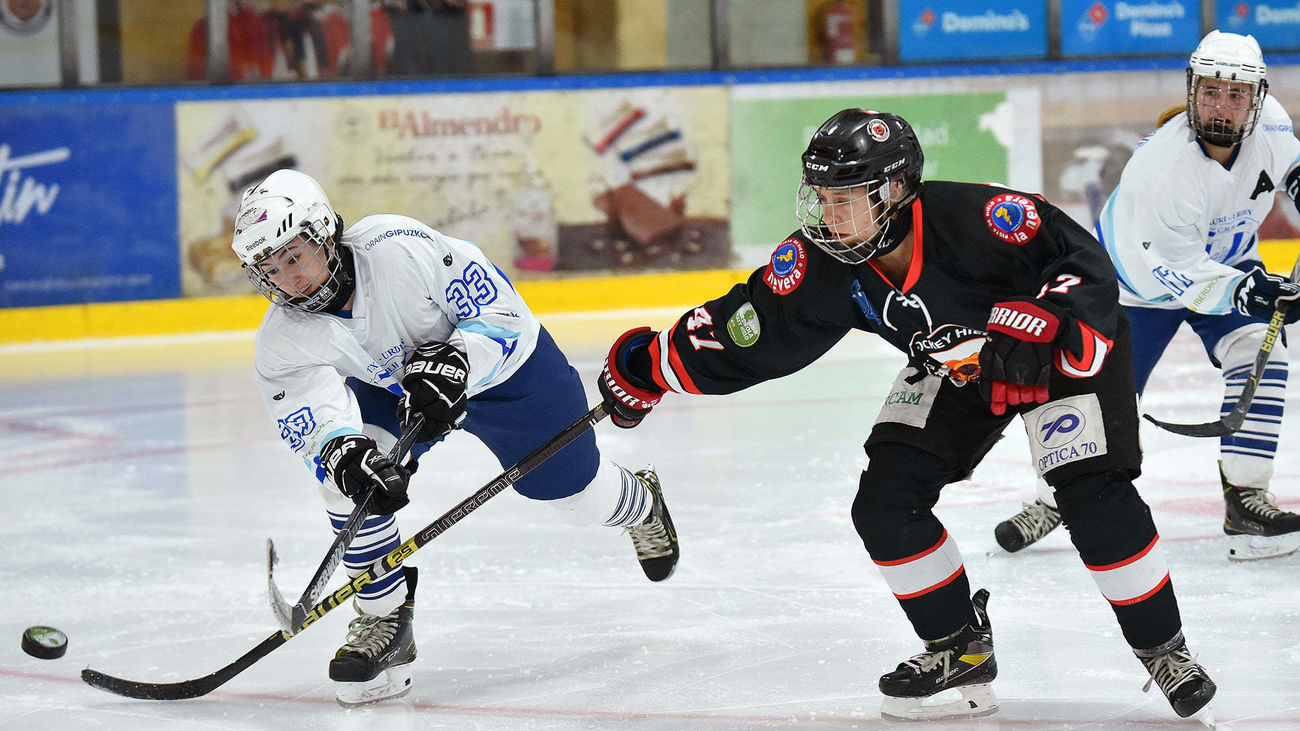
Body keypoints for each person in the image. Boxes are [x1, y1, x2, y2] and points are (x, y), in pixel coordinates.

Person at [595, 108, 1218, 721]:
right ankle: (959, 646)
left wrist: (1051, 325)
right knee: (886, 505)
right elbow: (751, 328)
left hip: (1057, 355)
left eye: (844, 197)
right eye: (820, 196)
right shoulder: (823, 264)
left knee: (1094, 498)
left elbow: (1082, 262)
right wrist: (648, 367)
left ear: (894, 191)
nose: (827, 215)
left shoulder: (981, 219)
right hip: (959, 368)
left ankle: (1165, 649)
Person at [230, 168, 679, 707]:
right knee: (353, 481)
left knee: (577, 500)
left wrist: (458, 359)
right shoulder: (282, 338)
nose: (289, 280)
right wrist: (338, 449)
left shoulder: (396, 248)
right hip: (400, 390)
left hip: (512, 375)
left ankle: (640, 502)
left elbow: (503, 314)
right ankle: (384, 622)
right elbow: (303, 408)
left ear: (324, 233)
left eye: (294, 257)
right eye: (271, 270)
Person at [994, 30, 1300, 562]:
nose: (1222, 106)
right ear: (1191, 90)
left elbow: (1292, 170)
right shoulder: (1161, 169)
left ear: (1255, 97)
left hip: (1226, 260)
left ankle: (1246, 497)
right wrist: (1247, 290)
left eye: (1235, 94)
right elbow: (1175, 270)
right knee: (1099, 399)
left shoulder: (1272, 120)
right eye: (1210, 92)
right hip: (1137, 286)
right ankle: (1055, 497)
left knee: (1262, 353)